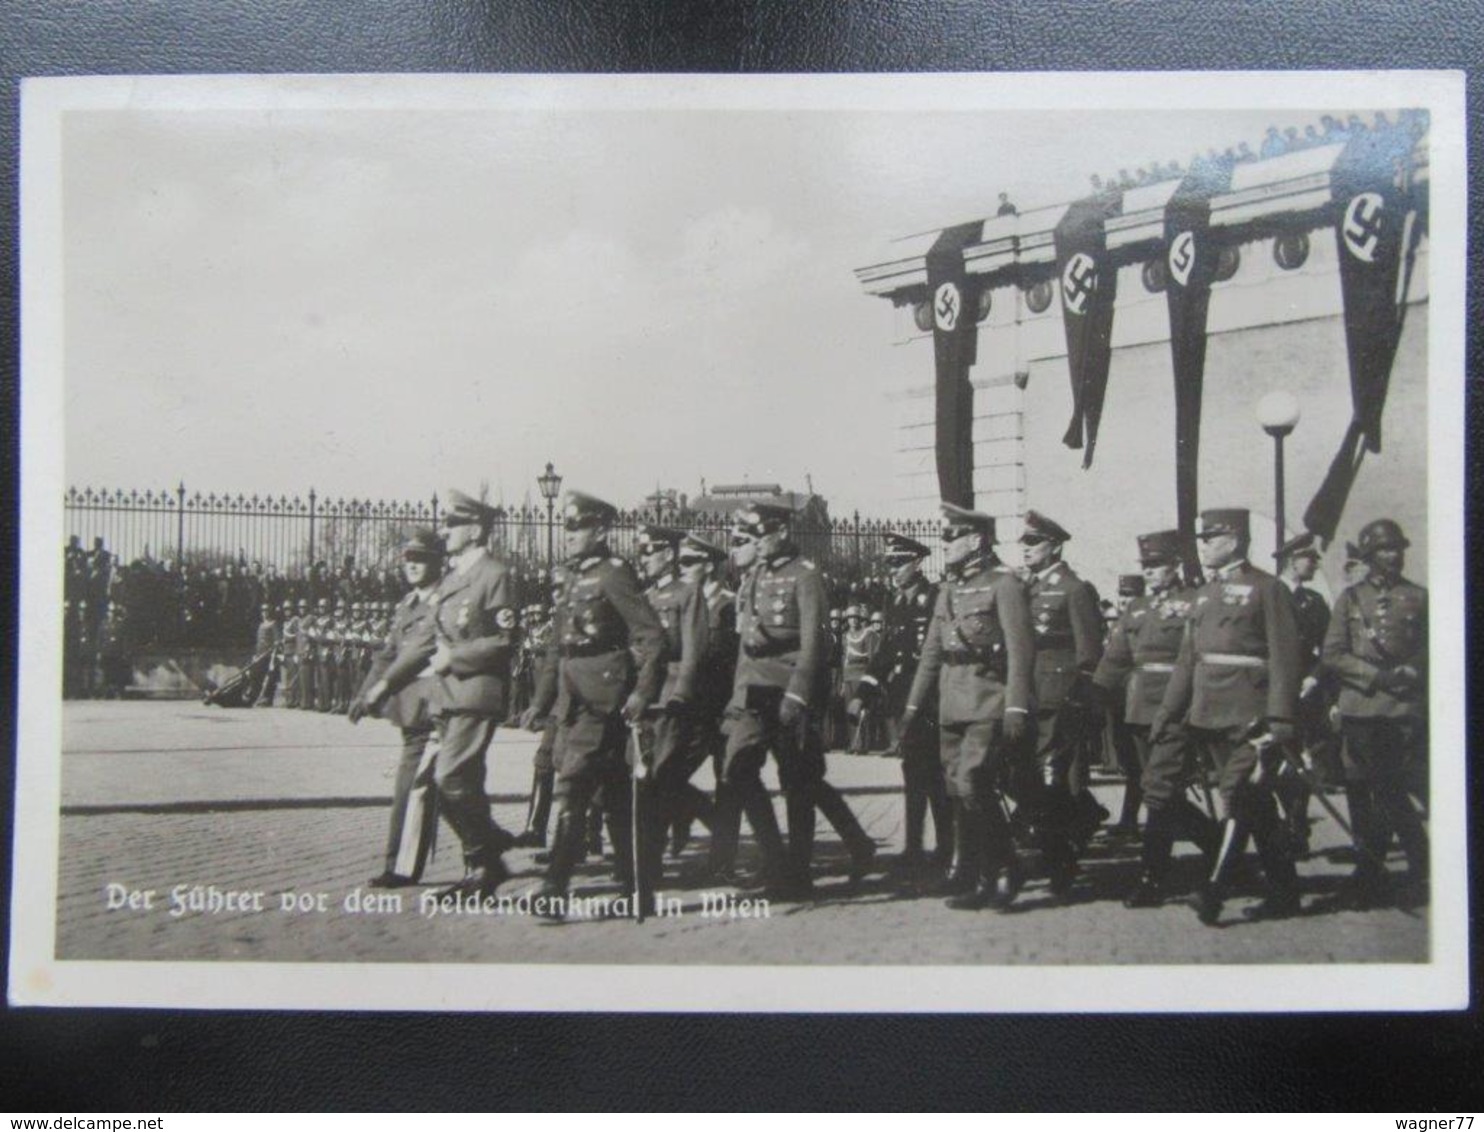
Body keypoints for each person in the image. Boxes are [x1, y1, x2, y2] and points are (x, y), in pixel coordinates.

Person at [1149, 508, 1303, 925]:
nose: (1201, 546)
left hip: (1251, 715)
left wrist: (1281, 717)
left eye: (1210, 538)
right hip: (1208, 714)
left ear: (1234, 541)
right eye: (1201, 539)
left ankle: (1214, 889)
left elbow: (1286, 656)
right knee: (1255, 805)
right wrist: (1168, 713)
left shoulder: (1267, 589)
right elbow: (1187, 661)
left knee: (1239, 795)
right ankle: (1287, 891)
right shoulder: (1202, 594)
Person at [718, 501, 876, 900]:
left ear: (781, 532)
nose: (756, 544)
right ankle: (777, 860)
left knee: (799, 781)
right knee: (738, 771)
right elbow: (747, 647)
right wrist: (736, 700)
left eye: (760, 535)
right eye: (750, 537)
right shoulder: (754, 577)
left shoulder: (805, 576)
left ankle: (799, 873)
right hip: (755, 690)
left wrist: (798, 694)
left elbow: (814, 643)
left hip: (789, 689)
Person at [520, 491, 665, 918]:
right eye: (566, 527)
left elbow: (651, 634)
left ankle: (555, 884)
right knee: (613, 793)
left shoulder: (613, 574)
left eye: (577, 526)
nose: (568, 535)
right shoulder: (571, 576)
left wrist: (642, 691)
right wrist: (540, 701)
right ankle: (634, 886)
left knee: (573, 783)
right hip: (571, 697)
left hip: (603, 695)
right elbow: (556, 647)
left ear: (600, 530)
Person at [902, 502, 1034, 910]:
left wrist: (1016, 707)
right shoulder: (950, 590)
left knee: (976, 782)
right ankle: (989, 871)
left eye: (951, 537)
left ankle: (1000, 869)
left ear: (975, 540)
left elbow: (1020, 650)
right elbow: (931, 655)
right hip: (951, 701)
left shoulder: (1004, 585)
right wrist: (911, 708)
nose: (946, 544)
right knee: (958, 790)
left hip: (988, 698)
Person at [1093, 529, 1210, 907]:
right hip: (1138, 709)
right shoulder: (1137, 607)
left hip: (1176, 709)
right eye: (1146, 565)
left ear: (1175, 566)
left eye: (1157, 565)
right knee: (1157, 789)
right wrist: (1091, 697)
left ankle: (1152, 877)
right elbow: (1115, 660)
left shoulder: (1195, 602)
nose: (1150, 572)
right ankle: (1223, 847)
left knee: (1158, 789)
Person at [1321, 518, 1429, 909]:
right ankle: (1371, 869)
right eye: (1385, 550)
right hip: (1361, 709)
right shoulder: (1350, 600)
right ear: (1370, 556)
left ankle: (1416, 868)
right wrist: (1374, 675)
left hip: (1401, 710)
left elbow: (1434, 646)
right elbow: (1333, 653)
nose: (1394, 556)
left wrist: (1413, 669)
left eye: (1397, 548)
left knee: (1392, 791)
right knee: (1360, 792)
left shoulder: (1419, 597)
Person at [423, 489, 522, 900]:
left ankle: (487, 849)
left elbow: (505, 639)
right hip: (448, 695)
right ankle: (484, 868)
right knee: (462, 782)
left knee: (446, 778)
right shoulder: (453, 577)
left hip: (476, 692)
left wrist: (454, 658)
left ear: (476, 529)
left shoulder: (495, 575)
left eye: (452, 524)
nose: (444, 531)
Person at [348, 529, 447, 887]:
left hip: (433, 708)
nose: (413, 566)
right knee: (451, 791)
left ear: (438, 561)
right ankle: (484, 853)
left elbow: (415, 654)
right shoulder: (407, 605)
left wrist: (381, 688)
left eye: (420, 559)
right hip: (411, 710)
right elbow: (387, 654)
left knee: (414, 785)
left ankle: (401, 867)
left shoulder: (444, 602)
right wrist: (364, 694)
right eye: (408, 559)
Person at [852, 532, 950, 877]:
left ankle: (945, 848)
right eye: (889, 563)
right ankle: (913, 847)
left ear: (918, 562)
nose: (893, 570)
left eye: (899, 563)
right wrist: (864, 689)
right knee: (913, 772)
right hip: (901, 699)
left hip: (930, 699)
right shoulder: (894, 602)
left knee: (933, 774)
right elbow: (886, 651)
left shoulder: (934, 597)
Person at [1018, 510, 1105, 895]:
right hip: (1028, 693)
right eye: (1024, 543)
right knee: (1026, 774)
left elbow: (1088, 652)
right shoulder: (1024, 588)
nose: (1026, 550)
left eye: (1034, 543)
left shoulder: (1074, 589)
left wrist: (1079, 698)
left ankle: (1059, 864)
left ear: (1054, 546)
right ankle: (1085, 813)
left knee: (1050, 778)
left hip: (1058, 695)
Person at [631, 524, 711, 895]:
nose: (643, 558)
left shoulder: (687, 593)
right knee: (642, 781)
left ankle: (649, 868)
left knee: (660, 781)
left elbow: (694, 650)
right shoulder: (642, 597)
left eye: (650, 552)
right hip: (644, 699)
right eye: (641, 551)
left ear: (669, 555)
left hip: (672, 701)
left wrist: (682, 693)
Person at [677, 531, 737, 868]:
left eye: (688, 562)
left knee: (726, 777)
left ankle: (722, 856)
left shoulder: (727, 604)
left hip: (721, 703)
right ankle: (705, 823)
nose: (681, 568)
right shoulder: (687, 602)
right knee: (669, 772)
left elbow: (729, 655)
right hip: (692, 705)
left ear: (710, 566)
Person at [1275, 531, 1332, 854]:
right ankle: (1285, 822)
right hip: (1273, 691)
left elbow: (1328, 648)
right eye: (1309, 558)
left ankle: (1296, 824)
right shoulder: (1271, 593)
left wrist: (1314, 678)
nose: (1314, 564)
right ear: (1291, 561)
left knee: (1297, 762)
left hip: (1304, 691)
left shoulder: (1315, 601)